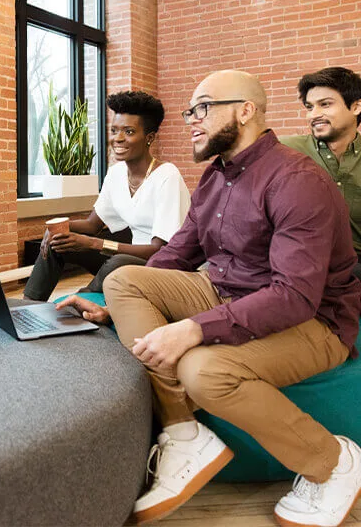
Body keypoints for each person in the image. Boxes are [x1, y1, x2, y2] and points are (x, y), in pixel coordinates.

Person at [58, 70, 361, 527]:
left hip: (316, 321)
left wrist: (196, 328)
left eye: (203, 108)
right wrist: (113, 307)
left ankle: (333, 462)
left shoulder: (297, 180)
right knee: (124, 281)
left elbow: (294, 296)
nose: (192, 121)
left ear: (245, 111)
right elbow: (178, 251)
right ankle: (184, 432)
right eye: (190, 112)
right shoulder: (215, 177)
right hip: (226, 290)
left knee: (204, 371)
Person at [23, 91, 190, 302]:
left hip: (161, 266)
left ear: (149, 138)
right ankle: (28, 306)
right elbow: (92, 225)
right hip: (127, 258)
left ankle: (77, 304)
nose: (118, 138)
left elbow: (159, 251)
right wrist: (59, 228)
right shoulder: (116, 173)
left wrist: (94, 244)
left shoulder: (168, 176)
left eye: (128, 131)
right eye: (114, 130)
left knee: (118, 262)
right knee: (60, 243)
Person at [282, 67, 361, 279]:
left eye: (325, 104)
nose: (314, 115)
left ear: (355, 106)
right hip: (296, 266)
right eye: (309, 107)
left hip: (354, 272)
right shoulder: (283, 151)